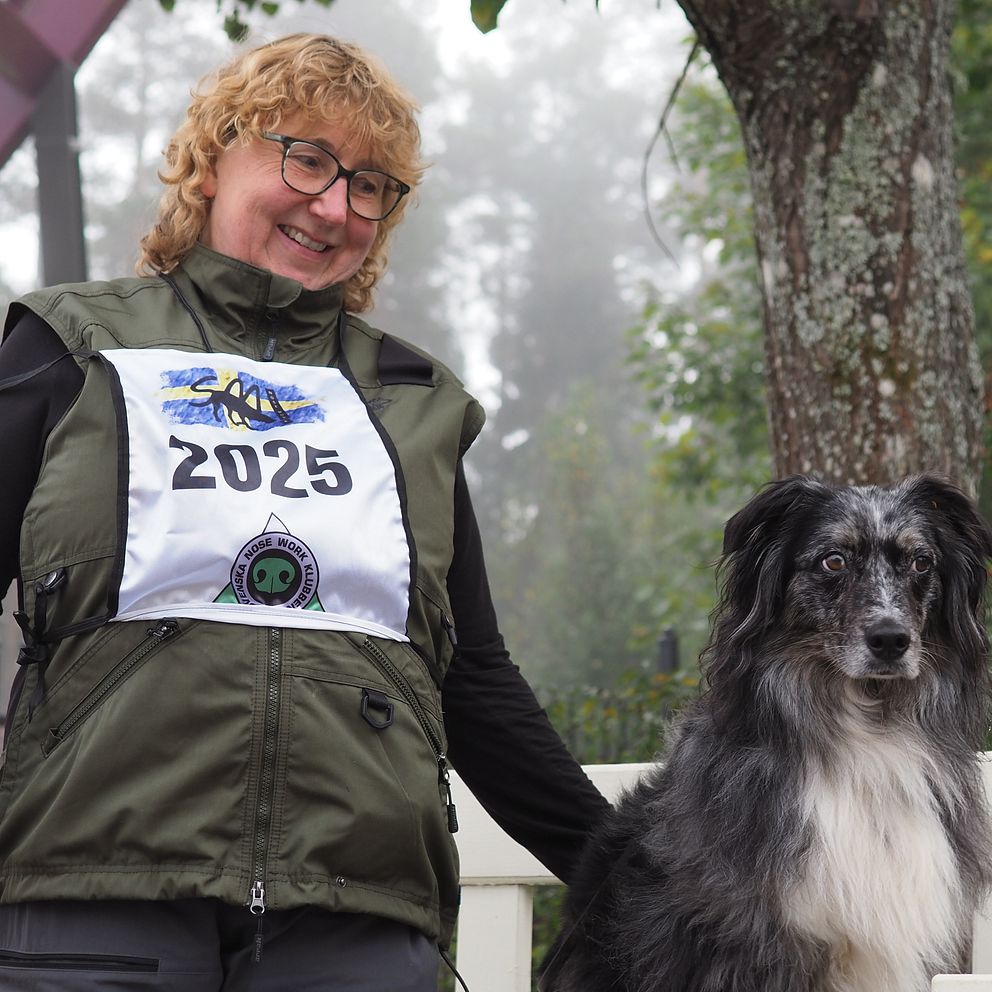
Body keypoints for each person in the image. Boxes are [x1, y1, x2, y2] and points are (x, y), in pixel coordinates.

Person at [0, 34, 609, 992]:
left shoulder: (415, 403)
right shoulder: (72, 346)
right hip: (95, 904)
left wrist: (638, 873)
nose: (334, 206)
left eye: (369, 185)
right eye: (308, 159)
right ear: (214, 158)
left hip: (354, 925)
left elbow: (474, 681)